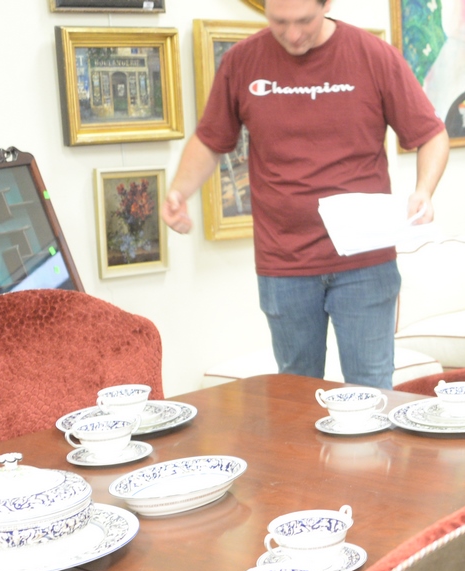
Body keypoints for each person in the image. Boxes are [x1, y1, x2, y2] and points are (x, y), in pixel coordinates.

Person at [162, 0, 448, 388]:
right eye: (279, 22)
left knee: (370, 389)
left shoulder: (373, 55)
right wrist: (179, 191)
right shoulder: (242, 62)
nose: (293, 35)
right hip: (284, 263)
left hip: (364, 262)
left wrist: (424, 191)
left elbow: (431, 134)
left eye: (304, 21)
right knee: (295, 392)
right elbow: (211, 140)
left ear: (326, 5)